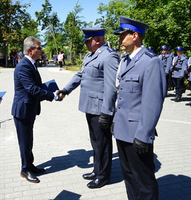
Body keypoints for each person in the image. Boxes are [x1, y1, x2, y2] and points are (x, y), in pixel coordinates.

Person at [57, 27, 119, 189]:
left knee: (103, 143)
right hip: (90, 106)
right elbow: (79, 75)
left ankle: (103, 176)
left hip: (100, 109)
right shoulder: (90, 56)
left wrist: (107, 112)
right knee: (95, 141)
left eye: (87, 40)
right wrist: (65, 90)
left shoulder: (109, 57)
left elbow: (111, 87)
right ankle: (97, 169)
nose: (85, 44)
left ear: (97, 40)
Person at [112, 17, 166, 200]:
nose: (119, 40)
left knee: (144, 180)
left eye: (122, 36)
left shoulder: (151, 62)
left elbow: (153, 103)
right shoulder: (126, 60)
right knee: (128, 176)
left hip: (137, 134)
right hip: (121, 130)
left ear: (135, 36)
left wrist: (144, 135)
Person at [11, 36, 60, 184]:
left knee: (28, 140)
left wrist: (50, 89)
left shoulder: (31, 64)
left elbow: (35, 86)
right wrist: (53, 96)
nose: (41, 50)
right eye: (39, 48)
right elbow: (32, 89)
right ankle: (25, 169)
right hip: (22, 110)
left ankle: (30, 165)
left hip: (29, 109)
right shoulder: (24, 65)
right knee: (25, 141)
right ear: (31, 50)